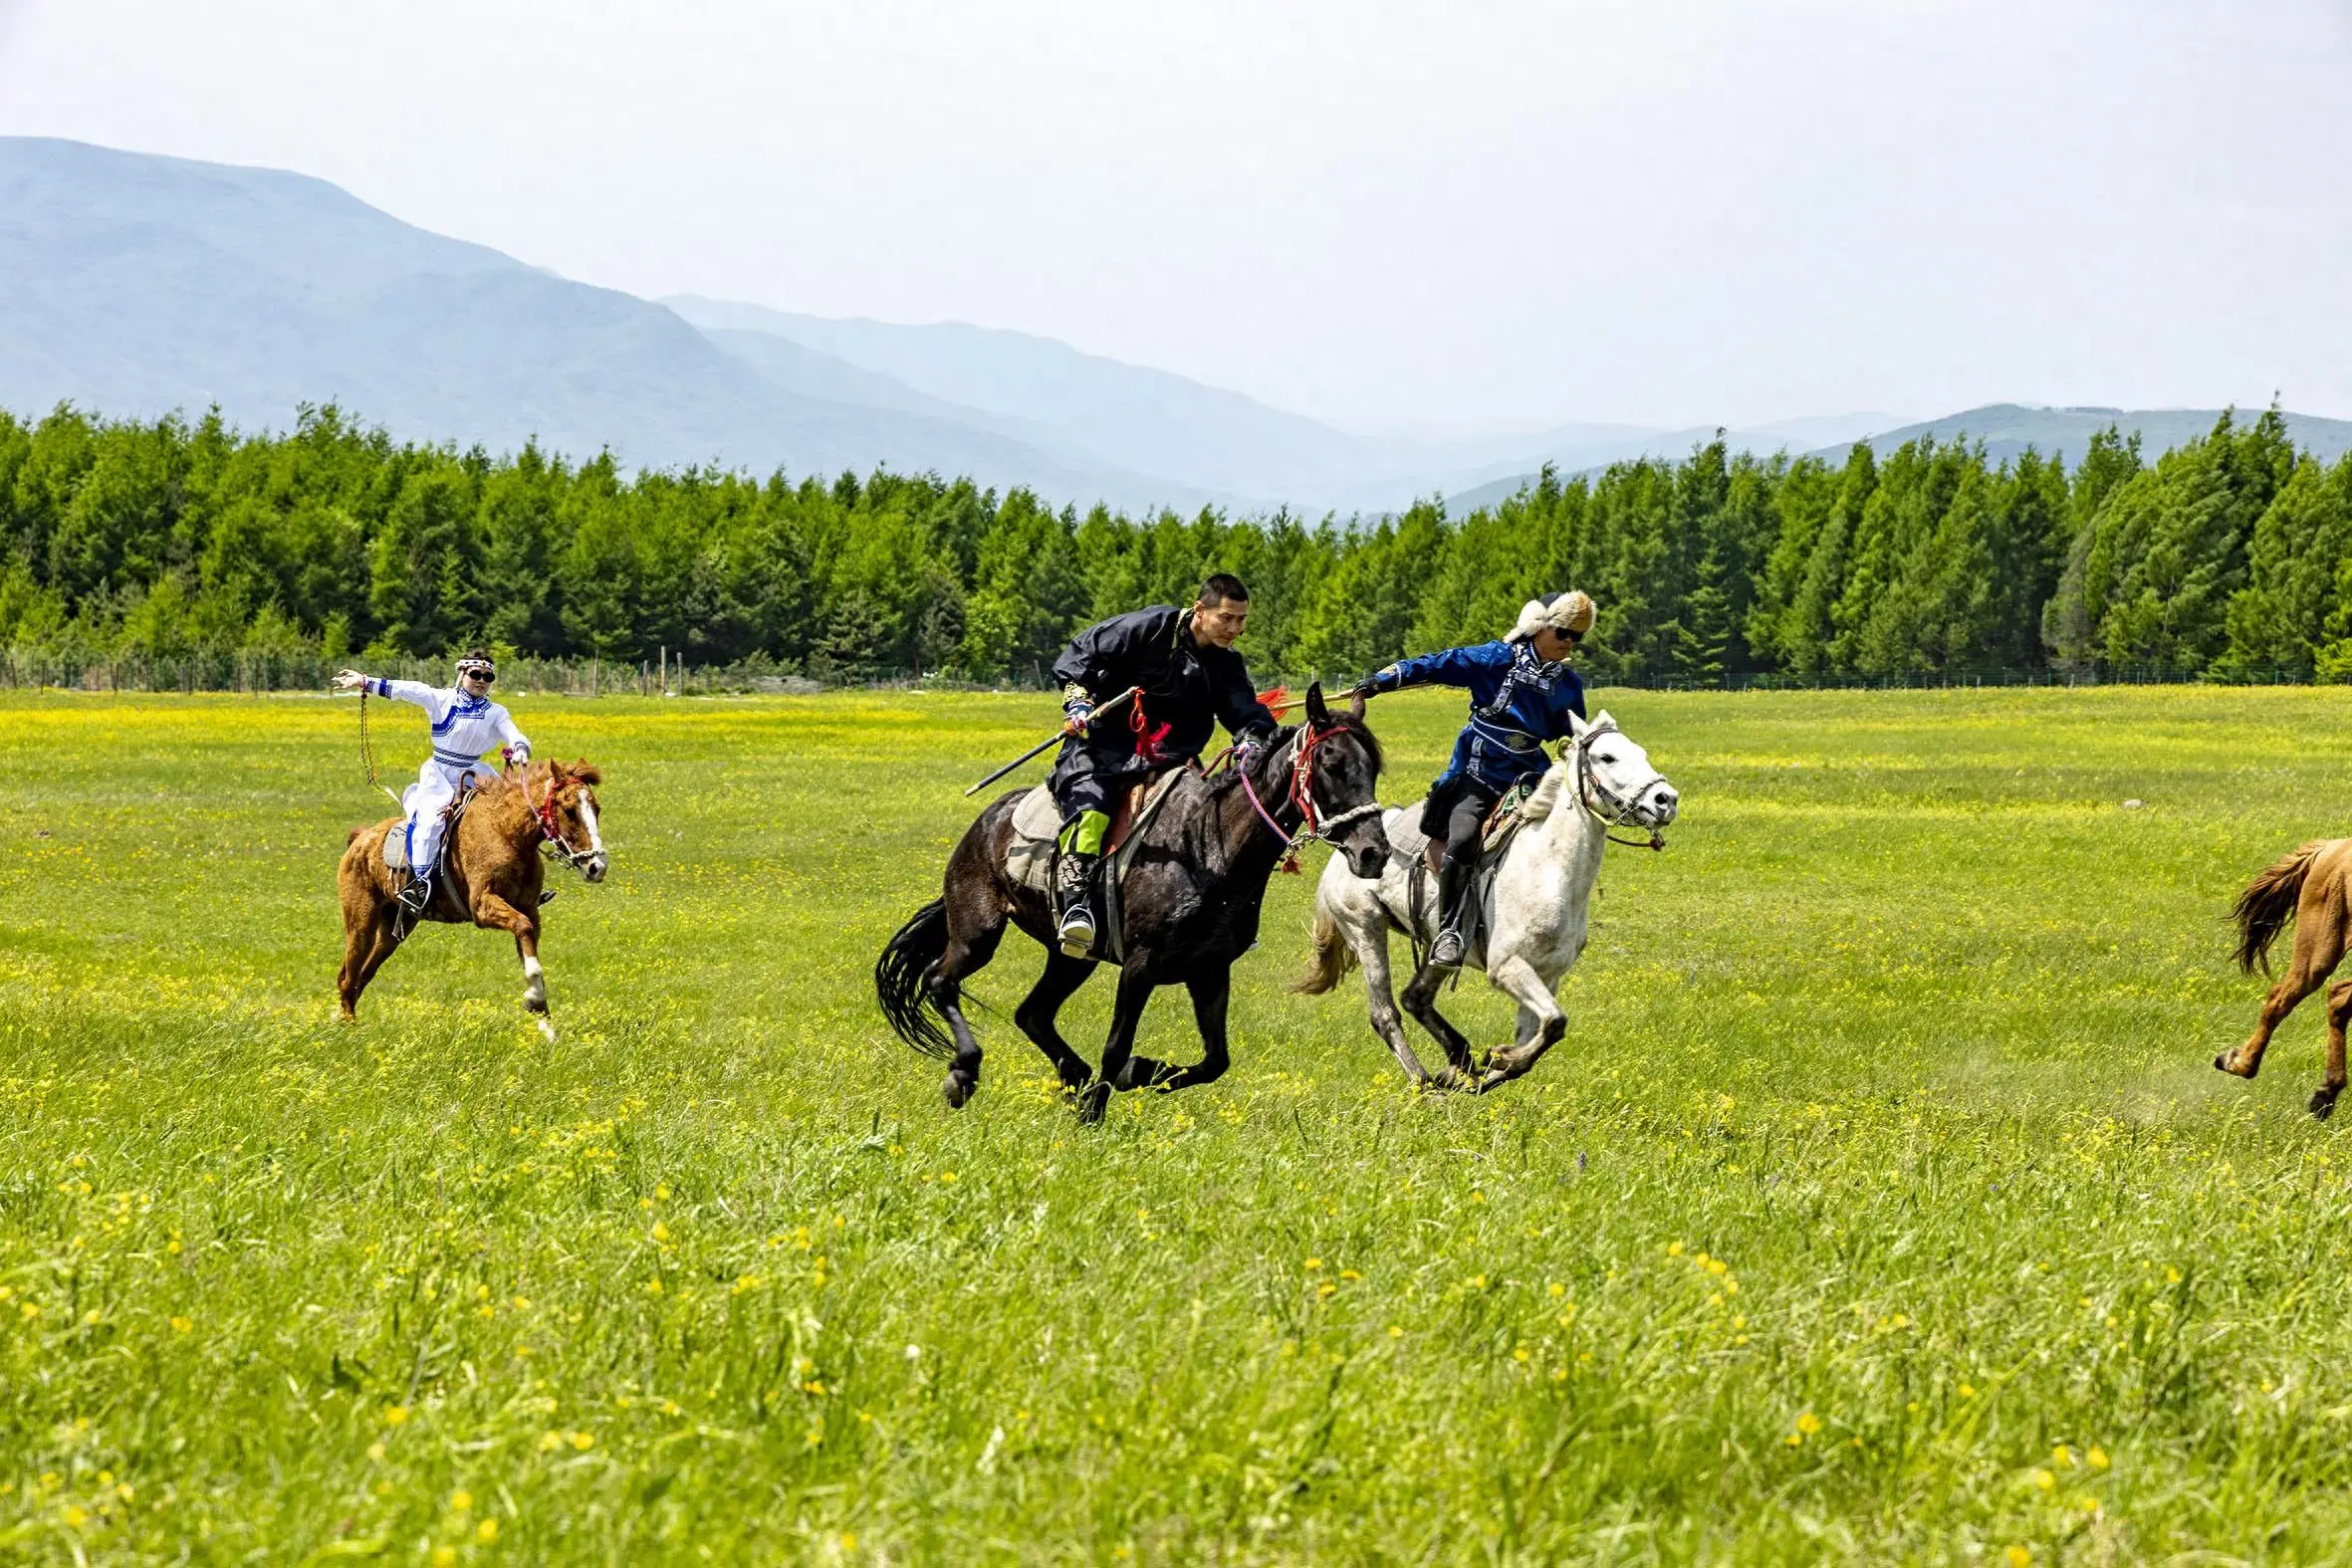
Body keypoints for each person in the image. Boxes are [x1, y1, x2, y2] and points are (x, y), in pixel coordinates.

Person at [1350, 590, 1594, 968]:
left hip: (1530, 774)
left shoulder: (1569, 685)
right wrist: (1384, 680)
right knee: (1462, 839)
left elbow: (1571, 732)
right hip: (1478, 771)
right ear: (1539, 625)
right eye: (1564, 633)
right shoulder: (1496, 659)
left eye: (1577, 637)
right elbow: (1439, 663)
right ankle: (1450, 932)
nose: (1569, 643)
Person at [1047, 573, 1279, 957]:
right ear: (1200, 610)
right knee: (1092, 809)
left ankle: (1220, 916)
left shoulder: (1226, 664)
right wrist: (1078, 702)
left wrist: (1251, 741)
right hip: (1103, 746)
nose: (1235, 629)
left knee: (1210, 818)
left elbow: (1244, 710)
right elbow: (1082, 655)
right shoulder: (1149, 627)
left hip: (1172, 756)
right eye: (1227, 618)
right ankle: (1076, 904)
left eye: (1241, 620)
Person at [332, 650, 532, 914]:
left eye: (488, 676)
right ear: (462, 675)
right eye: (475, 674)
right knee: (431, 822)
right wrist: (365, 681)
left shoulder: (496, 712)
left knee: (515, 815)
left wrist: (519, 748)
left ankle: (526, 886)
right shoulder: (441, 699)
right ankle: (419, 884)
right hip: (440, 774)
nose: (481, 680)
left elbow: (513, 733)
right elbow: (408, 689)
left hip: (476, 774)